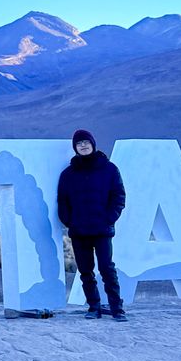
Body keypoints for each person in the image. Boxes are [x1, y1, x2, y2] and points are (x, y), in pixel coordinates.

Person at [57, 129, 126, 320]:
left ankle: (116, 308)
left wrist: (109, 218)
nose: (83, 146)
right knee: (85, 271)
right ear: (75, 148)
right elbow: (62, 201)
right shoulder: (68, 174)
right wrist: (69, 221)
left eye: (86, 142)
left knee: (106, 269)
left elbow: (118, 196)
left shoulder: (109, 169)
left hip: (102, 229)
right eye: (79, 144)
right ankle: (94, 307)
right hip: (79, 231)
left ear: (93, 144)